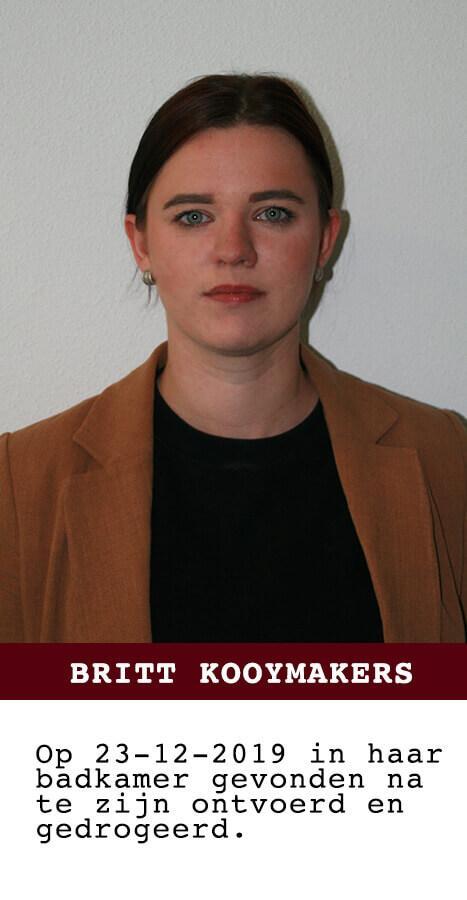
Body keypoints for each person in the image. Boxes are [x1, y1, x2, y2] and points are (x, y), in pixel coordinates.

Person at [0, 73, 465, 643]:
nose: (233, 251)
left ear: (325, 240)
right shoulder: (19, 484)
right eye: (194, 216)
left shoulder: (446, 459)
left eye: (273, 213)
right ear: (141, 243)